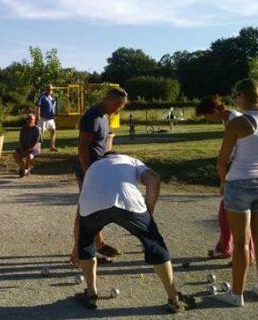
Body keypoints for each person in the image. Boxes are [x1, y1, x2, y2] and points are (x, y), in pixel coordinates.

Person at [73, 152, 194, 313]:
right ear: (119, 155)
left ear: (104, 158)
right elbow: (153, 179)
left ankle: (91, 294)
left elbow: (80, 213)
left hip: (91, 207)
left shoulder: (93, 167)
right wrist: (148, 211)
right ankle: (174, 299)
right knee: (154, 243)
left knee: (86, 242)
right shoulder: (131, 161)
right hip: (127, 202)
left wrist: (77, 246)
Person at [195, 96, 255, 263]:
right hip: (237, 171)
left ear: (214, 112)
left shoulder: (235, 120)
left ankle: (244, 254)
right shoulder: (229, 119)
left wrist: (223, 181)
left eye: (207, 116)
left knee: (235, 218)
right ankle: (226, 248)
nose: (207, 120)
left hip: (239, 175)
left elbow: (228, 156)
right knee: (227, 215)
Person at [71, 87, 128, 263]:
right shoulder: (92, 116)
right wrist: (89, 172)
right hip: (89, 170)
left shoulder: (103, 116)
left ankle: (98, 243)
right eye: (117, 105)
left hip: (98, 169)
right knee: (85, 211)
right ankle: (78, 253)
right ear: (107, 98)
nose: (118, 109)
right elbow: (82, 148)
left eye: (121, 106)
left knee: (95, 208)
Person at [215, 78, 258, 306]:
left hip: (239, 182)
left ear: (242, 96)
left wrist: (222, 182)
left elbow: (222, 161)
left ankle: (236, 294)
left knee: (241, 242)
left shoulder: (238, 123)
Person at [36, 84, 57, 152]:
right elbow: (38, 106)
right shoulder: (42, 97)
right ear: (45, 89)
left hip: (50, 118)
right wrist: (38, 116)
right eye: (48, 89)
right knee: (40, 133)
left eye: (51, 89)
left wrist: (54, 115)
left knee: (53, 131)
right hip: (43, 118)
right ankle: (37, 149)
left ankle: (52, 147)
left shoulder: (52, 98)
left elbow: (53, 108)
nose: (49, 90)